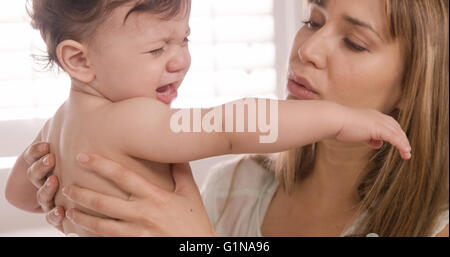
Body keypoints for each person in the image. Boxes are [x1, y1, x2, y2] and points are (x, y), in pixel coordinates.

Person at [12, 0, 448, 237]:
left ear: (416, 86)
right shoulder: (136, 122)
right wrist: (336, 118)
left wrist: (47, 184)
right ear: (79, 60)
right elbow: (228, 127)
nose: (181, 60)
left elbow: (19, 196)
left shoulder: (57, 124)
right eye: (311, 21)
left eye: (183, 40)